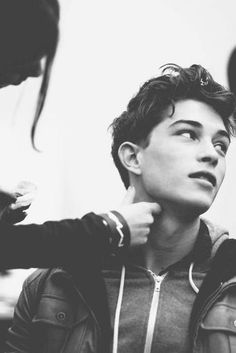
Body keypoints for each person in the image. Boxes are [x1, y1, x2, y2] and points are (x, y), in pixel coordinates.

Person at [5, 63, 236, 353]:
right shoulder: (54, 283)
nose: (211, 155)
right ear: (133, 157)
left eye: (221, 145)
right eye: (189, 134)